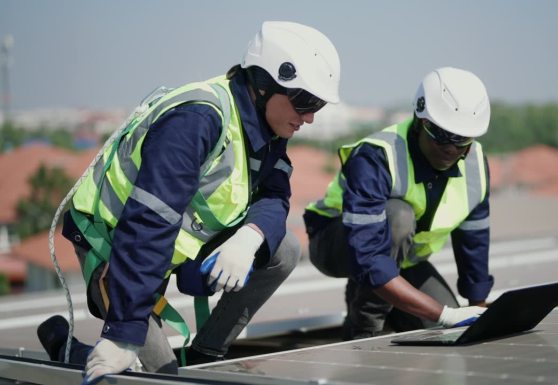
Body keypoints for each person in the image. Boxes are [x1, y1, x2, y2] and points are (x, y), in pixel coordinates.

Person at [36, 21, 341, 381]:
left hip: (176, 245)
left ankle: (205, 354)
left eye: (317, 104)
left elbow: (275, 194)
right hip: (121, 248)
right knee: (156, 375)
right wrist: (124, 331)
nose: (309, 116)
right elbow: (149, 222)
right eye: (305, 101)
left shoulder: (266, 125)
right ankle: (64, 346)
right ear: (262, 84)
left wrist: (251, 235)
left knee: (283, 248)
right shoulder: (196, 120)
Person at [304, 67, 493, 340]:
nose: (452, 148)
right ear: (420, 120)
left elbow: (474, 241)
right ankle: (363, 329)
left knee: (446, 333)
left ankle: (386, 302)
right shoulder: (376, 156)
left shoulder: (475, 166)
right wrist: (443, 313)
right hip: (337, 243)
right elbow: (368, 257)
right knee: (399, 217)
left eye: (462, 138)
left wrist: (478, 310)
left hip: (404, 259)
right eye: (442, 134)